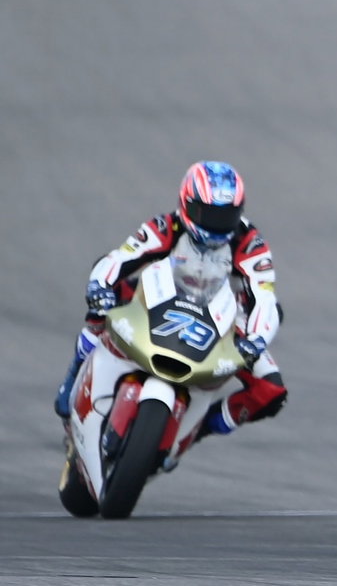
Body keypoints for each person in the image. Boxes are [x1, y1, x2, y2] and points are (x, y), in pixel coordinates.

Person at [53, 161, 287, 440]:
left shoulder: (250, 243)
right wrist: (99, 285)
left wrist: (257, 338)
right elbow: (121, 258)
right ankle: (75, 374)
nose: (216, 224)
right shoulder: (166, 225)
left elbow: (264, 296)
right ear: (187, 204)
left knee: (271, 389)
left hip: (223, 318)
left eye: (227, 215)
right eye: (208, 213)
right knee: (106, 294)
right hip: (159, 297)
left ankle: (198, 429)